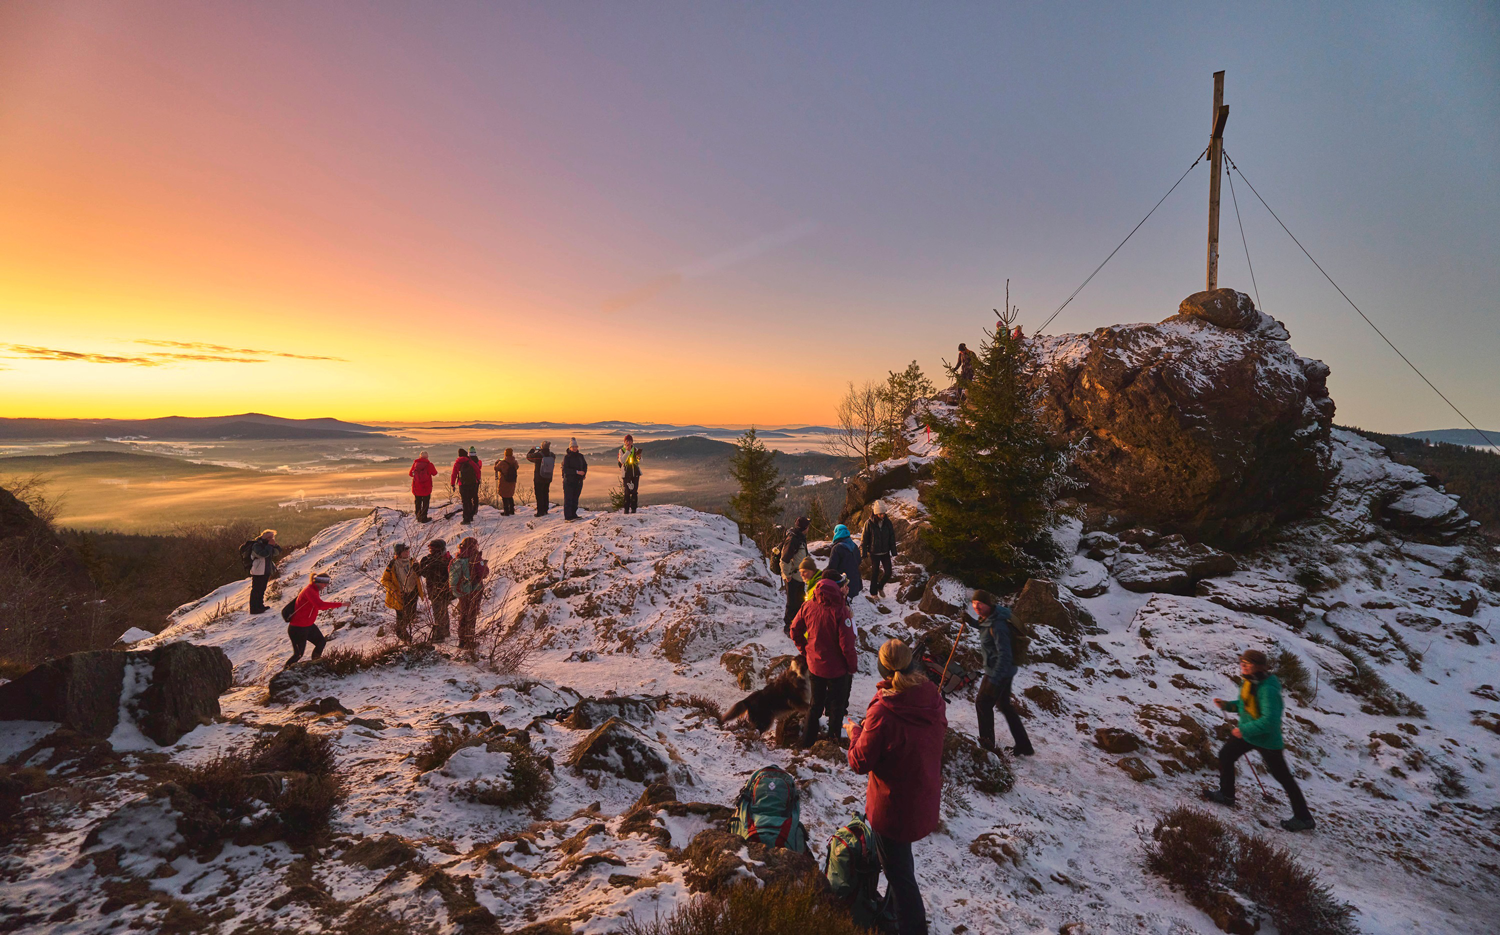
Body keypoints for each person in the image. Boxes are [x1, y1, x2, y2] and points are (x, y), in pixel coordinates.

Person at [846, 639, 946, 935]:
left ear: (883, 670)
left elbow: (859, 762)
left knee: (900, 876)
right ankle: (891, 913)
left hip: (892, 807)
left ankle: (911, 928)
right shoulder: (932, 698)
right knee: (899, 864)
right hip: (922, 797)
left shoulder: (885, 711)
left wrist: (855, 733)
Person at [1203, 649, 1316, 832]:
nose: (1243, 667)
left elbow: (1269, 721)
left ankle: (1304, 818)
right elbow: (1244, 704)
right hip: (1248, 735)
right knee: (1226, 755)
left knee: (1284, 778)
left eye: (1247, 664)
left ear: (1258, 667)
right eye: (1242, 663)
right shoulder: (1248, 682)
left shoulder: (1268, 689)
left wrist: (1243, 729)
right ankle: (1227, 795)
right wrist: (1227, 705)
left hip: (1266, 740)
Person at [792, 577, 858, 747]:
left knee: (815, 704)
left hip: (815, 665)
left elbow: (794, 630)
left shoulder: (808, 605)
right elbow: (847, 644)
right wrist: (851, 666)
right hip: (838, 669)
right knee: (836, 706)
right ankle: (833, 741)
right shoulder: (840, 611)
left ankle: (807, 741)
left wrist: (805, 650)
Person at [971, 590, 1034, 756]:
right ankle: (1024, 745)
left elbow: (1005, 655)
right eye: (974, 603)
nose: (976, 606)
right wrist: (971, 622)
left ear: (988, 604)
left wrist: (995, 679)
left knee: (982, 703)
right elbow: (985, 627)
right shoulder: (991, 617)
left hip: (998, 671)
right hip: (1003, 670)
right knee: (1004, 705)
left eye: (980, 603)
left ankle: (987, 747)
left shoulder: (998, 625)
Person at [286, 573, 344, 667]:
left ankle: (315, 665)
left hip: (308, 626)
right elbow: (320, 605)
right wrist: (340, 604)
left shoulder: (314, 590)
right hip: (297, 628)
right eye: (325, 583)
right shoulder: (309, 591)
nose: (326, 586)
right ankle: (284, 676)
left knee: (321, 642)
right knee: (299, 654)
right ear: (319, 582)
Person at [448, 536, 487, 650]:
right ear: (473, 546)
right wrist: (484, 566)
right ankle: (469, 641)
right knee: (471, 615)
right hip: (473, 590)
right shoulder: (475, 557)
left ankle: (462, 641)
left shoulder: (457, 557)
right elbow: (482, 573)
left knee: (463, 615)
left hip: (463, 591)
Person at [380, 543, 424, 642]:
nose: (408, 552)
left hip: (413, 593)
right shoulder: (393, 565)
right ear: (399, 553)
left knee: (410, 617)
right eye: (405, 551)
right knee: (401, 618)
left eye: (408, 550)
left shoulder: (413, 562)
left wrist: (420, 570)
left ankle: (407, 638)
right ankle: (403, 636)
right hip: (400, 595)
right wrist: (394, 589)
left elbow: (420, 574)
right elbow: (384, 580)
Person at [780, 517, 812, 630]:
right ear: (805, 528)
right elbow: (785, 560)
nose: (809, 528)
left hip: (800, 576)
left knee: (800, 601)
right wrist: (787, 575)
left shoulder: (800, 538)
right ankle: (788, 626)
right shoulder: (793, 539)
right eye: (808, 526)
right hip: (793, 577)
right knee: (792, 603)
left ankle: (798, 623)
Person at [419, 538, 453, 642]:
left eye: (433, 550)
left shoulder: (444, 561)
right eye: (430, 550)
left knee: (438, 612)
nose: (431, 552)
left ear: (440, 550)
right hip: (442, 591)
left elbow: (430, 574)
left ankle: (439, 636)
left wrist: (423, 568)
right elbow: (425, 573)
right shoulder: (447, 559)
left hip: (439, 590)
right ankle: (445, 632)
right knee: (443, 611)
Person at [861, 501, 897, 598]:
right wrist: (863, 553)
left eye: (883, 513)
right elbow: (864, 539)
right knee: (875, 573)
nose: (882, 515)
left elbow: (891, 537)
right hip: (874, 552)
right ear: (875, 513)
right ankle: (873, 593)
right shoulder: (869, 523)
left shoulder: (888, 523)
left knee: (888, 572)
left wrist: (893, 551)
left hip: (885, 552)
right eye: (880, 514)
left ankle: (880, 586)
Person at [247, 529, 282, 614]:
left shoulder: (267, 545)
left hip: (266, 570)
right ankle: (254, 608)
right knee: (256, 590)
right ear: (264, 537)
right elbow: (264, 554)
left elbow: (277, 552)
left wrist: (275, 545)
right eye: (269, 537)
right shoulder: (256, 545)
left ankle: (260, 606)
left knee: (262, 589)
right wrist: (270, 546)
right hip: (258, 570)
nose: (271, 538)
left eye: (272, 537)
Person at [826, 524, 864, 599]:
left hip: (842, 583)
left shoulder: (837, 548)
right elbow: (859, 561)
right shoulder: (854, 546)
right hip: (855, 582)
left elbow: (832, 567)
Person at [450, 447, 483, 524]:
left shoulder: (457, 463)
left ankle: (466, 519)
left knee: (465, 501)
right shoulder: (470, 461)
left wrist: (452, 484)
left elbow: (454, 474)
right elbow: (477, 471)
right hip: (472, 483)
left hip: (462, 484)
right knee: (470, 499)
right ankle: (471, 516)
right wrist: (477, 479)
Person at [562, 438, 588, 521]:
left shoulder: (580, 456)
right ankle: (568, 516)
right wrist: (577, 472)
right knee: (568, 499)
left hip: (578, 481)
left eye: (576, 446)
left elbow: (585, 465)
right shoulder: (567, 457)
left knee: (575, 498)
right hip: (569, 481)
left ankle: (574, 514)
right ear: (570, 448)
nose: (575, 448)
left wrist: (584, 473)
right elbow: (565, 469)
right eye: (573, 447)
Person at [526, 442, 555, 516]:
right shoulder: (552, 455)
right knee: (545, 493)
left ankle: (540, 511)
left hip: (539, 478)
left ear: (541, 447)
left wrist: (533, 449)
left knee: (539, 494)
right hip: (548, 477)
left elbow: (528, 457)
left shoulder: (538, 455)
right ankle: (545, 509)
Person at [409, 450, 438, 522]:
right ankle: (424, 517)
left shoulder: (415, 464)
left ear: (420, 457)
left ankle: (418, 517)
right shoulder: (429, 465)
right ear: (427, 457)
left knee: (417, 502)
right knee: (425, 503)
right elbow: (435, 473)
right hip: (426, 488)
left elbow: (410, 474)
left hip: (417, 487)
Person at [618, 434, 643, 513]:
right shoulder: (621, 450)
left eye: (630, 441)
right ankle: (626, 509)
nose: (628, 442)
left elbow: (641, 461)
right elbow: (622, 460)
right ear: (624, 442)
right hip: (626, 473)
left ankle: (634, 508)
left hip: (635, 472)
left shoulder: (635, 450)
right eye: (627, 441)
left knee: (635, 491)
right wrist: (628, 451)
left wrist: (639, 457)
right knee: (627, 491)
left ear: (632, 442)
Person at [495, 448, 520, 516]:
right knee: (510, 495)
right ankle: (511, 510)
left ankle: (506, 511)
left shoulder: (502, 463)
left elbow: (496, 468)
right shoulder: (515, 462)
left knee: (504, 496)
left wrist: (497, 462)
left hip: (504, 481)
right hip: (512, 481)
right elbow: (517, 467)